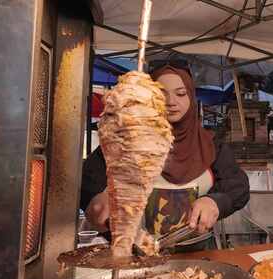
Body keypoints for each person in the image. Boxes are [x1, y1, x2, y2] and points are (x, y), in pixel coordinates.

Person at [80, 65, 250, 250]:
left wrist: (215, 201)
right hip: (133, 252)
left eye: (181, 93)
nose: (170, 101)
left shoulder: (211, 144)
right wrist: (97, 199)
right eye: (161, 93)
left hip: (198, 255)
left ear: (192, 97)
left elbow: (238, 186)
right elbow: (86, 182)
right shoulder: (126, 140)